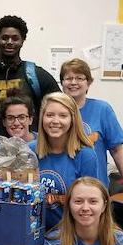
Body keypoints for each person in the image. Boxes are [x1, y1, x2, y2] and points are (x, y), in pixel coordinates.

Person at [60, 58, 123, 205]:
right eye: (68, 78)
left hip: (95, 190)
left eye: (79, 78)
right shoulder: (55, 111)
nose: (73, 82)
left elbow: (117, 150)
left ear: (89, 83)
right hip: (61, 191)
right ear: (62, 83)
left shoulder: (102, 110)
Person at [0, 15, 60, 138]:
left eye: (15, 38)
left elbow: (60, 107)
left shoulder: (37, 75)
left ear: (22, 42)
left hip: (30, 148)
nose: (9, 42)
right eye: (4, 38)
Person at [34, 92, 98, 231]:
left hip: (70, 234)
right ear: (42, 118)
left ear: (72, 120)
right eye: (50, 115)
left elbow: (88, 207)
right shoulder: (30, 151)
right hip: (33, 234)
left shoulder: (86, 156)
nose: (55, 121)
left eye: (63, 116)